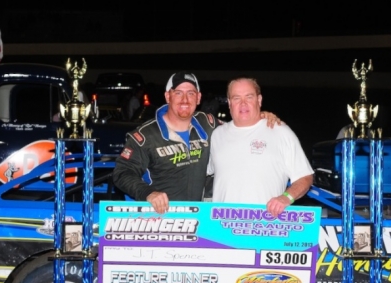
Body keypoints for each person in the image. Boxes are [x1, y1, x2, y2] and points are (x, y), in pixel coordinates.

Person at [112, 72, 281, 214]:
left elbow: (239, 131)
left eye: (191, 93)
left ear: (199, 97)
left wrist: (260, 117)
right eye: (178, 93)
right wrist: (148, 193)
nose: (185, 99)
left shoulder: (209, 124)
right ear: (167, 96)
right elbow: (122, 173)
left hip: (205, 218)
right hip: (163, 220)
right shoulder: (145, 136)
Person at [207, 77, 313, 217]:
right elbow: (197, 172)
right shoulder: (217, 135)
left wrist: (286, 197)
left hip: (264, 228)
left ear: (259, 100)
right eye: (236, 98)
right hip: (221, 228)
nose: (243, 103)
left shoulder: (280, 131)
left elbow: (305, 177)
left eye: (249, 97)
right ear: (229, 103)